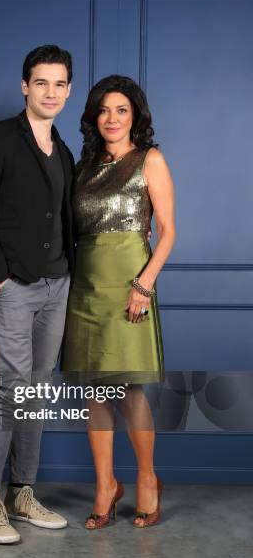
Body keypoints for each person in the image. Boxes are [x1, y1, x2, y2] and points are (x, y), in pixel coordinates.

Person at [0, 45, 75, 544]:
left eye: (60, 84)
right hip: (14, 287)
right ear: (25, 86)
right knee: (9, 391)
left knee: (37, 392)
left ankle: (21, 492)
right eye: (41, 82)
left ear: (68, 91)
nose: (50, 92)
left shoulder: (65, 151)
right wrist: (0, 278)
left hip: (58, 285)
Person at [61, 75, 175, 529]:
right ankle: (106, 485)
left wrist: (143, 284)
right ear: (93, 117)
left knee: (129, 388)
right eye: (104, 110)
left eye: (122, 110)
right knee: (95, 391)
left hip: (131, 281)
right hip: (85, 286)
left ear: (135, 116)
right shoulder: (82, 168)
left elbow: (167, 233)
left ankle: (147, 478)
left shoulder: (151, 159)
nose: (112, 118)